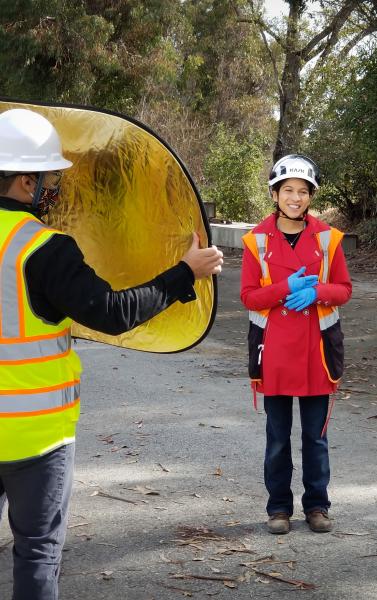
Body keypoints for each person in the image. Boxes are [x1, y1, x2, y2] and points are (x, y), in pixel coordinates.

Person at [0, 108, 224, 600]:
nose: (53, 190)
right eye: (47, 179)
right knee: (36, 551)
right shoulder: (43, 248)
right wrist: (185, 272)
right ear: (22, 181)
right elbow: (113, 313)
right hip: (34, 437)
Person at [240, 154, 351, 535]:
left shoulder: (327, 238)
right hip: (275, 355)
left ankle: (317, 507)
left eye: (303, 191)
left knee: (315, 438)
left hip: (316, 353)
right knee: (277, 438)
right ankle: (278, 509)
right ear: (274, 193)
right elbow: (250, 297)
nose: (295, 197)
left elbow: (344, 289)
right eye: (288, 190)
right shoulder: (257, 240)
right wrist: (284, 288)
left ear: (311, 196)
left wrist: (318, 291)